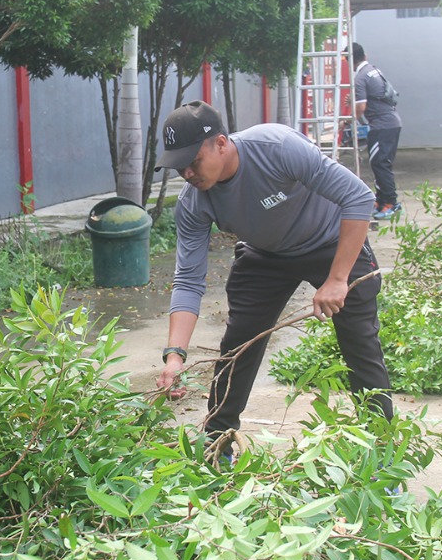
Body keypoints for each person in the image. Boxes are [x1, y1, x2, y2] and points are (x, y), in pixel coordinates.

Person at [154, 102, 392, 453]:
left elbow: (358, 197)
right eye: (179, 167)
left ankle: (383, 451)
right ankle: (216, 445)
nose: (187, 173)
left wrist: (338, 279)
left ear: (221, 143)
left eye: (193, 162)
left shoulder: (276, 148)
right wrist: (175, 356)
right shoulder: (193, 203)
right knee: (238, 346)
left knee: (360, 345)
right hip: (265, 255)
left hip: (331, 243)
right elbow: (188, 280)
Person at [350, 43, 402, 221]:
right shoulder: (373, 70)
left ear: (350, 59)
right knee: (380, 163)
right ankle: (381, 201)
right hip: (391, 123)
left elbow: (360, 108)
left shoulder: (361, 78)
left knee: (381, 164)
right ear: (365, 55)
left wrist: (348, 120)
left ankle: (391, 203)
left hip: (381, 126)